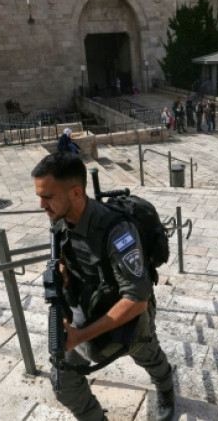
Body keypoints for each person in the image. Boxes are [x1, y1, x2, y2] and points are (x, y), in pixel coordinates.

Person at [32, 153, 176, 421]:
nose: (42, 205)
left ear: (75, 193)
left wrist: (80, 336)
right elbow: (65, 251)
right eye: (40, 196)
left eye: (48, 197)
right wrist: (61, 270)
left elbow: (136, 300)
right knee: (62, 382)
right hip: (86, 308)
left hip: (127, 318)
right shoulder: (59, 217)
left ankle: (166, 387)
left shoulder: (118, 232)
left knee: (148, 355)